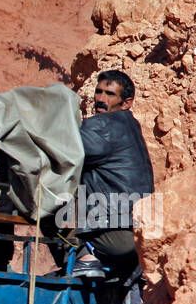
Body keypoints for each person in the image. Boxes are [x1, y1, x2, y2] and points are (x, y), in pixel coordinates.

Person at [62, 69, 155, 281]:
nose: (101, 99)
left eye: (110, 94)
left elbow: (65, 153)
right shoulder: (132, 126)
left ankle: (83, 256)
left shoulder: (101, 125)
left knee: (50, 206)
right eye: (98, 92)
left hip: (116, 234)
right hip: (144, 234)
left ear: (127, 102)